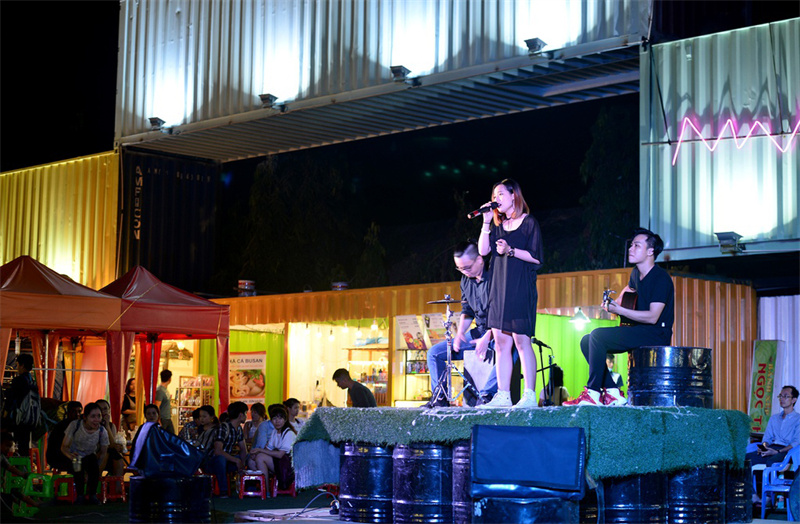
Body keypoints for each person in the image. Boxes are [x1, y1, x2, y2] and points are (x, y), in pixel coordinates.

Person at [565, 228, 674, 406]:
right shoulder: (635, 274)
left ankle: (593, 393)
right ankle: (613, 392)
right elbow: (626, 295)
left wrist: (621, 310)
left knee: (597, 335)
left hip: (655, 334)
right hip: (638, 330)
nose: (631, 248)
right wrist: (611, 305)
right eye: (631, 245)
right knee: (586, 341)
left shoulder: (661, 278)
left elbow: (653, 317)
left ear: (650, 251)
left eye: (637, 245)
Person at [477, 179, 543, 409]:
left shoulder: (529, 222)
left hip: (520, 288)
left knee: (522, 341)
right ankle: (503, 395)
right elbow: (483, 251)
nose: (496, 199)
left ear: (514, 195)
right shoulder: (497, 226)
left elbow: (537, 258)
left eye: (500, 194)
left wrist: (511, 250)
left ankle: (529, 395)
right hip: (499, 289)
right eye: (494, 196)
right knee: (501, 344)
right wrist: (486, 222)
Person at [425, 241, 505, 408]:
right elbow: (467, 309)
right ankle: (440, 397)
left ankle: (487, 394)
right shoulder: (466, 280)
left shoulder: (495, 277)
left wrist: (487, 338)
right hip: (479, 331)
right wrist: (460, 333)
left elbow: (501, 313)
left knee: (508, 350)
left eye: (467, 267)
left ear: (479, 260)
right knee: (435, 353)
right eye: (460, 268)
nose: (464, 272)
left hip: (499, 331)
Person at [60, 402, 108, 504]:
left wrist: (97, 467)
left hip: (89, 457)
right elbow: (64, 447)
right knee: (78, 466)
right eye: (93, 416)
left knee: (93, 463)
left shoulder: (102, 431)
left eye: (99, 416)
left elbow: (103, 452)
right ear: (85, 417)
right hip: (72, 456)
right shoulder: (75, 425)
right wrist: (71, 456)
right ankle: (80, 495)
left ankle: (92, 495)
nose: (96, 420)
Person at [747, 385, 799, 466]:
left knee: (771, 462)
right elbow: (767, 438)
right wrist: (764, 447)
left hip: (787, 451)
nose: (782, 399)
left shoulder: (798, 419)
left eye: (785, 396)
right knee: (745, 459)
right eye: (780, 396)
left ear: (794, 400)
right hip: (772, 448)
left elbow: (796, 443)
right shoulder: (774, 418)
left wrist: (778, 451)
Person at [248, 404, 296, 490]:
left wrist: (259, 450)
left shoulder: (289, 433)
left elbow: (280, 455)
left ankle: (265, 489)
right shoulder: (275, 431)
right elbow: (267, 449)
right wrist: (256, 453)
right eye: (274, 418)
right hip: (278, 462)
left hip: (288, 466)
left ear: (285, 420)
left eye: (280, 418)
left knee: (260, 457)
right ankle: (260, 485)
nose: (277, 421)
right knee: (252, 460)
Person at [209, 401, 248, 497]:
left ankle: (247, 487)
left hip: (228, 461)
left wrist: (242, 464)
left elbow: (243, 449)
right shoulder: (223, 427)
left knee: (250, 457)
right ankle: (223, 491)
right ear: (240, 415)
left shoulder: (238, 429)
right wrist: (236, 460)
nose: (246, 416)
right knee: (221, 459)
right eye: (245, 413)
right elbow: (218, 451)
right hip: (212, 462)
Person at [3, 354, 38, 456]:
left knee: (6, 437)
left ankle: (7, 459)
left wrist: (5, 415)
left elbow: (11, 400)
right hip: (29, 418)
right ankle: (24, 462)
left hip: (18, 419)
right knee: (24, 445)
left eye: (17, 364)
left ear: (22, 365)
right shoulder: (33, 382)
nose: (17, 367)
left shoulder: (18, 381)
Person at [1, 431, 40, 509]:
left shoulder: (3, 456)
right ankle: (34, 504)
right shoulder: (1, 457)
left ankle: (35, 504)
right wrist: (22, 474)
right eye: (7, 446)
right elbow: (10, 468)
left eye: (10, 446)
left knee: (13, 491)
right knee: (11, 492)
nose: (8, 449)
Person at [46, 401, 82, 472]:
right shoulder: (61, 427)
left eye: (79, 412)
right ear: (68, 412)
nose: (77, 414)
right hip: (58, 457)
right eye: (74, 411)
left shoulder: (80, 425)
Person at [96, 399, 125, 476]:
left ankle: (117, 481)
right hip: (94, 454)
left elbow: (112, 444)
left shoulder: (111, 426)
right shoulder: (92, 424)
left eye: (105, 409)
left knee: (115, 453)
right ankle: (96, 477)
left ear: (109, 410)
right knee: (107, 452)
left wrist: (107, 426)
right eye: (100, 409)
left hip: (107, 455)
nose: (103, 412)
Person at [154, 369, 175, 434]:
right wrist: (158, 419)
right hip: (162, 418)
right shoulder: (160, 391)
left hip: (167, 418)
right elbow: (157, 406)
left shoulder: (165, 390)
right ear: (170, 379)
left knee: (171, 436)